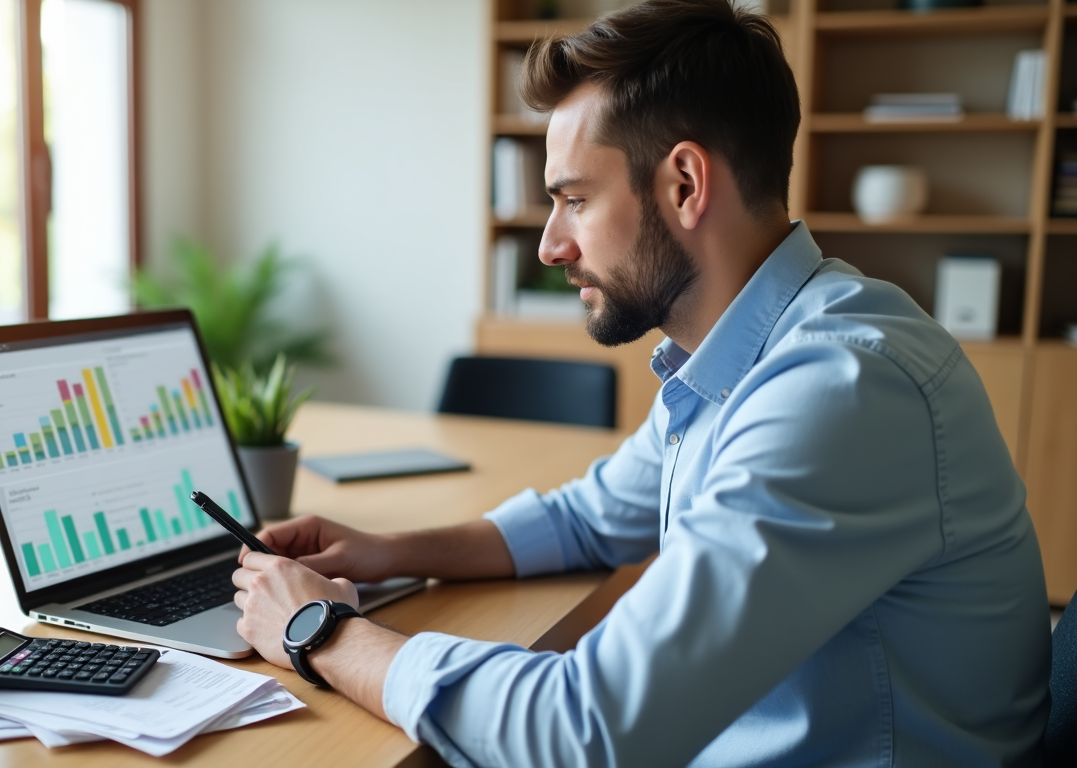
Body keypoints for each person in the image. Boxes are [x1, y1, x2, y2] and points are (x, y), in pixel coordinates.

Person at [229, 0, 1052, 764]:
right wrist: (388, 552)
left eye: (575, 200)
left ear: (685, 186)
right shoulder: (742, 354)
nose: (551, 245)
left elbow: (587, 731)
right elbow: (589, 520)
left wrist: (320, 630)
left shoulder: (838, 389)